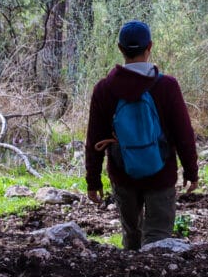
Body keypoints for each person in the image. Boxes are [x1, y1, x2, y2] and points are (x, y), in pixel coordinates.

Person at [85, 20, 199, 250]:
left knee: (131, 236)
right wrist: (190, 170)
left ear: (120, 48)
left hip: (123, 173)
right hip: (161, 174)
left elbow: (95, 139)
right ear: (150, 47)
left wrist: (93, 180)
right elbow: (183, 133)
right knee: (158, 238)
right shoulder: (167, 86)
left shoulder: (104, 89)